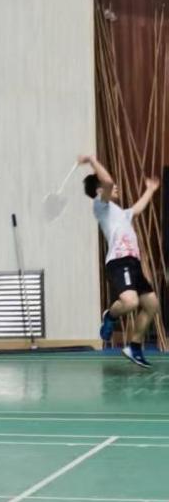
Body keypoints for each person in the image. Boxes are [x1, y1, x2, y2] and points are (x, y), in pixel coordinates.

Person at [80, 153, 161, 367]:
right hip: (119, 261)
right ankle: (110, 315)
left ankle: (134, 347)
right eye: (109, 186)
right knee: (131, 302)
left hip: (133, 262)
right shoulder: (100, 206)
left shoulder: (119, 213)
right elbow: (108, 182)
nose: (115, 187)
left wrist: (150, 190)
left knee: (151, 304)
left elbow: (137, 209)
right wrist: (92, 160)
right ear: (99, 191)